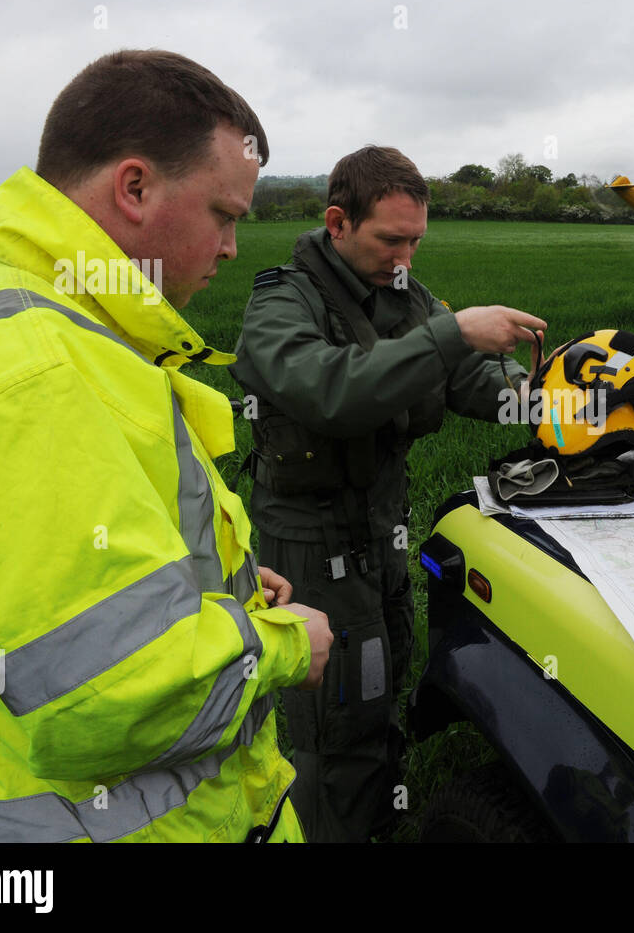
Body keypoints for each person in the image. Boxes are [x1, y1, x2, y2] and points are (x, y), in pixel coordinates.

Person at [0, 49, 333, 843]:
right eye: (225, 215)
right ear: (134, 187)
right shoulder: (24, 365)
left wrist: (215, 590)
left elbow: (58, 579)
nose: (233, 247)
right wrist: (278, 644)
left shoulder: (57, 317)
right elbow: (105, 686)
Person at [230, 145, 545, 842]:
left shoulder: (407, 296)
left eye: (416, 241)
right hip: (309, 551)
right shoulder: (282, 300)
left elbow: (472, 387)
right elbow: (330, 391)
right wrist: (454, 332)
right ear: (337, 222)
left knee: (381, 686)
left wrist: (547, 402)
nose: (405, 257)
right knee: (330, 724)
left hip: (381, 536)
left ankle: (375, 820)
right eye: (390, 239)